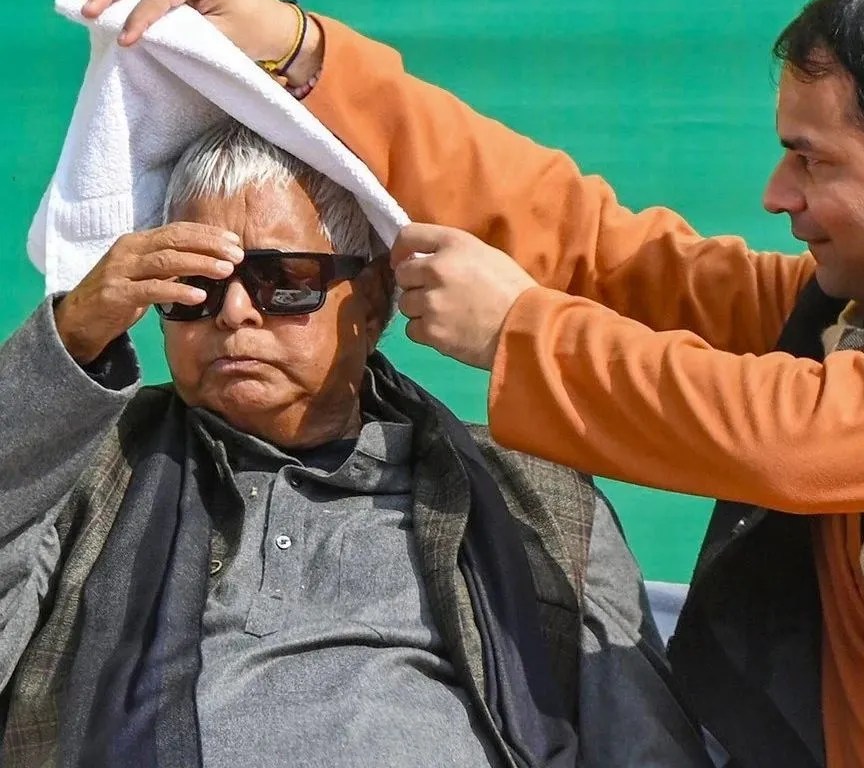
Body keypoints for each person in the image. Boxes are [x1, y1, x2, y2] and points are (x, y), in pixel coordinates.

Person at [78, 0, 864, 766]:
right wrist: (298, 52)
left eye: (810, 160)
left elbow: (808, 437)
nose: (777, 194)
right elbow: (601, 253)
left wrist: (520, 334)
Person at [0, 120, 713, 767]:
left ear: (372, 301)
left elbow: (646, 749)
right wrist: (72, 338)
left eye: (283, 280)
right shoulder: (84, 469)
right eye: (195, 285)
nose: (235, 312)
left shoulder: (535, 502)